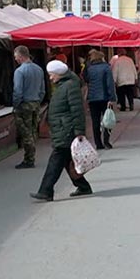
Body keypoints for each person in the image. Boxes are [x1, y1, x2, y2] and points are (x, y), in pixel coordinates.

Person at [31, 61, 94, 202]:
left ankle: (46, 190)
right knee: (65, 160)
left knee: (56, 160)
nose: (50, 78)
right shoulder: (64, 85)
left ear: (59, 74)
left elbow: (77, 110)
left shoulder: (69, 86)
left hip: (66, 129)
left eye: (51, 75)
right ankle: (83, 186)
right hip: (63, 128)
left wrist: (79, 131)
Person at [12, 47, 46, 169]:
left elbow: (17, 91)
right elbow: (42, 90)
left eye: (16, 56)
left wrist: (15, 105)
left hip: (24, 104)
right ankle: (31, 156)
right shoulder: (39, 69)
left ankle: (29, 159)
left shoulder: (19, 71)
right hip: (35, 103)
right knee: (32, 130)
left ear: (21, 56)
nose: (15, 59)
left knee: (25, 132)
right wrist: (38, 101)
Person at [83, 49, 116, 150]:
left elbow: (86, 79)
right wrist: (112, 97)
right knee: (107, 119)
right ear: (101, 57)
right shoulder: (106, 68)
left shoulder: (89, 68)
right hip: (105, 97)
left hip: (93, 98)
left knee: (95, 121)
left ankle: (98, 143)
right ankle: (106, 141)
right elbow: (109, 83)